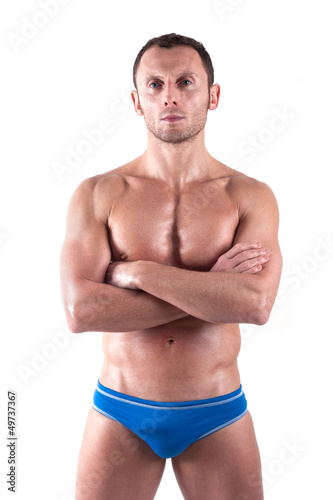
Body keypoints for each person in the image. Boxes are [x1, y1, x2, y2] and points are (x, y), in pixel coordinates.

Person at [60, 33, 282, 500]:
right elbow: (81, 311)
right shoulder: (99, 193)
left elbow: (257, 304)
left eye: (186, 81)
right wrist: (213, 292)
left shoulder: (248, 195)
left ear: (213, 95)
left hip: (216, 411)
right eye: (155, 85)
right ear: (137, 101)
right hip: (120, 409)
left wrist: (139, 273)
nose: (171, 96)